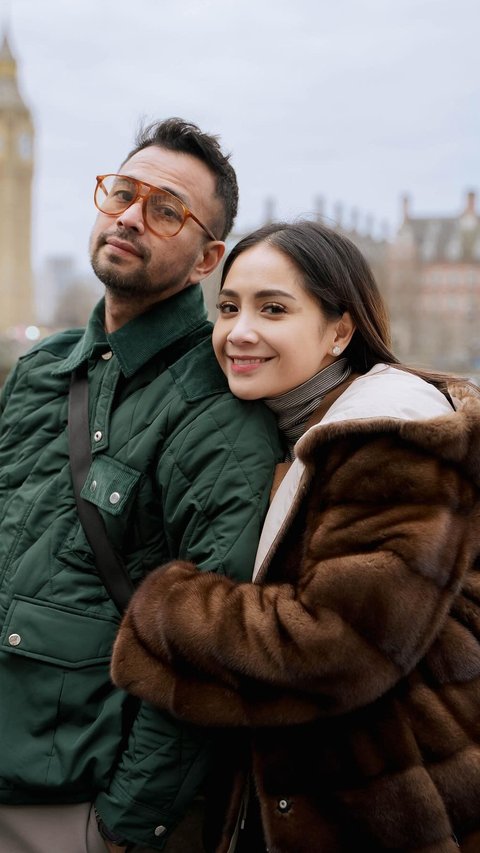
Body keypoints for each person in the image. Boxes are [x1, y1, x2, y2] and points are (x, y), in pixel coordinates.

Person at [111, 219, 480, 852]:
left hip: (392, 810)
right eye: (228, 307)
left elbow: (332, 645)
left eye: (273, 308)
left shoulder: (391, 435)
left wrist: (162, 608)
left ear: (340, 330)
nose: (239, 331)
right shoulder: (294, 425)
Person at [0, 119, 283, 853]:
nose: (129, 215)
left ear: (206, 259)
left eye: (165, 210)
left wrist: (121, 826)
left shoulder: (217, 417)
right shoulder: (41, 372)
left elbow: (210, 654)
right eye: (122, 193)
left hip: (68, 808)